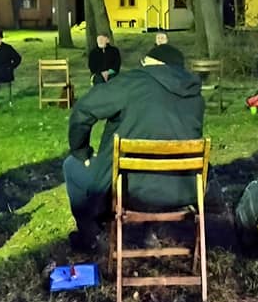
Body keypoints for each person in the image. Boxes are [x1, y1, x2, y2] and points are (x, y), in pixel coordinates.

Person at [63, 43, 204, 251]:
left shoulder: (134, 83)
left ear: (153, 63)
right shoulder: (194, 95)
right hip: (184, 190)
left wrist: (81, 150)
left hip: (129, 189)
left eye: (144, 62)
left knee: (71, 165)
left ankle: (91, 235)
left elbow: (84, 109)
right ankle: (151, 231)